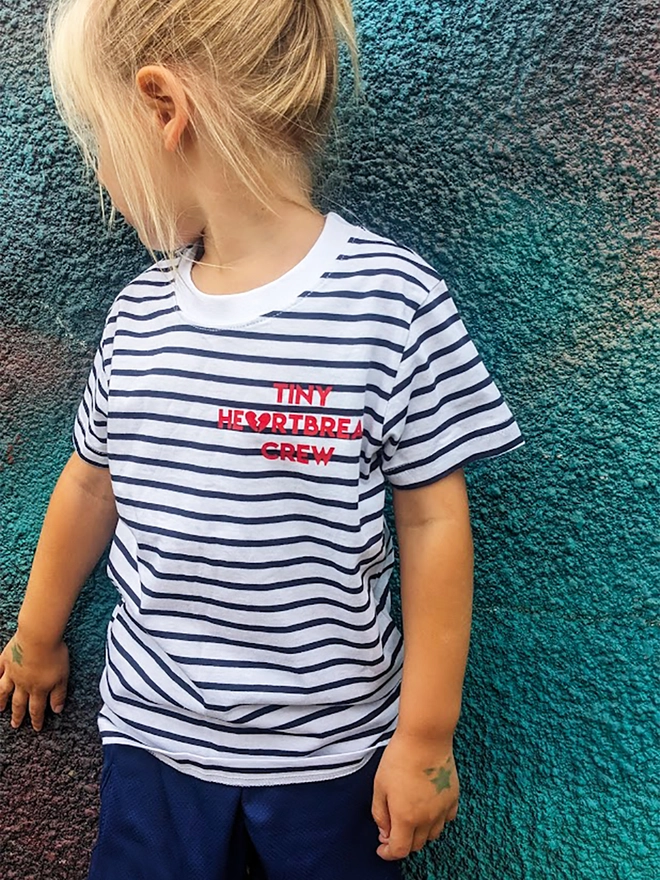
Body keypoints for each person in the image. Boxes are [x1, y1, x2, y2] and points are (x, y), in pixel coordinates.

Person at [0, 0, 524, 877]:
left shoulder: (390, 302)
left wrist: (426, 736)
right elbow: (92, 484)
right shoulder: (135, 320)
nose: (99, 173)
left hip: (334, 764)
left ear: (163, 110)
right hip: (153, 748)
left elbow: (434, 524)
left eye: (98, 141)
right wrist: (36, 632)